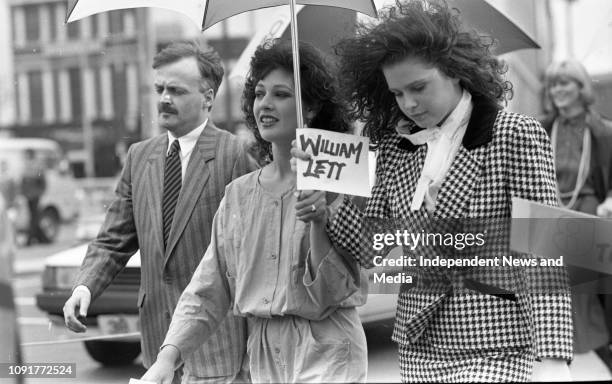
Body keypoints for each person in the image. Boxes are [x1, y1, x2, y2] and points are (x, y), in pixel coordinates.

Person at [292, 1, 573, 382]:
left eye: (418, 87)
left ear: (456, 72)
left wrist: (554, 357)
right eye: (396, 93)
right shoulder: (394, 146)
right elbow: (370, 248)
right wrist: (324, 200)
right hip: (419, 347)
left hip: (497, 342)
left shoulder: (514, 133)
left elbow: (543, 249)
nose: (408, 103)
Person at [141, 39, 368, 384]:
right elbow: (208, 288)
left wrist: (321, 220)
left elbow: (336, 291)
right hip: (262, 355)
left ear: (312, 108)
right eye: (260, 93)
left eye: (281, 94)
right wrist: (167, 358)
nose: (265, 104)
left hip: (327, 349)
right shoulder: (238, 194)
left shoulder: (340, 176)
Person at [63, 41, 258, 383]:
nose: (164, 98)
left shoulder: (234, 155)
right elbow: (114, 239)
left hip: (216, 344)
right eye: (160, 89)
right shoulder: (140, 157)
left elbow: (251, 251)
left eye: (176, 90)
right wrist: (84, 287)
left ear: (208, 98)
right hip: (156, 341)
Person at [541, 58, 612, 372]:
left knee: (575, 298)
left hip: (588, 215)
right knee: (554, 299)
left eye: (564, 83)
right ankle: (560, 367)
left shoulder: (603, 131)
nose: (557, 90)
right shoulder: (542, 128)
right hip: (547, 216)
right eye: (553, 84)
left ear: (581, 88)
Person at [20, 149, 47, 245]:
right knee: (34, 216)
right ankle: (42, 238)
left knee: (33, 216)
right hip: (29, 195)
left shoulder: (36, 166)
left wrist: (40, 192)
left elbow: (41, 179)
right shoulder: (26, 165)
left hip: (34, 195)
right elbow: (23, 182)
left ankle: (30, 239)